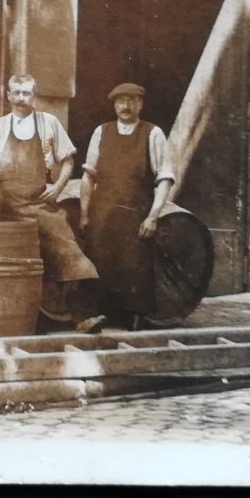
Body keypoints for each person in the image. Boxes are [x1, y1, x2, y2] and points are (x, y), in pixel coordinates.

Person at [0, 73, 105, 334]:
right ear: (8, 95)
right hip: (7, 209)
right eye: (17, 92)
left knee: (69, 253)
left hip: (39, 204)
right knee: (17, 263)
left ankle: (83, 318)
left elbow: (68, 160)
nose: (22, 98)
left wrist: (57, 188)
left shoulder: (49, 122)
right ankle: (23, 322)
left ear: (34, 96)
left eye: (27, 93)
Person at [79, 82, 176, 330]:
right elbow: (89, 176)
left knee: (135, 266)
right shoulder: (102, 132)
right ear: (114, 105)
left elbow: (164, 178)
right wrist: (84, 214)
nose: (125, 106)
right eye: (121, 101)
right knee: (98, 263)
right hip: (103, 214)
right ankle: (98, 316)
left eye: (131, 100)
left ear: (140, 104)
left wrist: (153, 216)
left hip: (136, 214)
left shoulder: (152, 134)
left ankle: (134, 318)